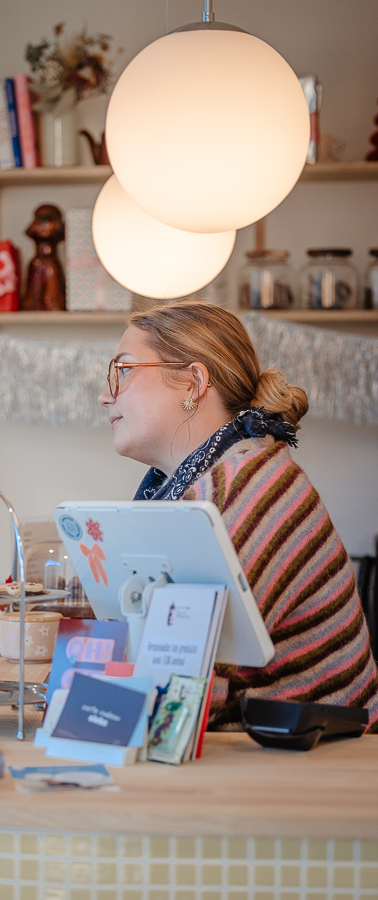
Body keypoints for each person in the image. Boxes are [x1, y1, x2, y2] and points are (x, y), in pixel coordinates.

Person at [98, 300, 378, 731]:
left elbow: (182, 690)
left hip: (326, 768)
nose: (105, 395)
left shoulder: (249, 490)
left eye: (125, 370)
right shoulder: (208, 485)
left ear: (193, 382)